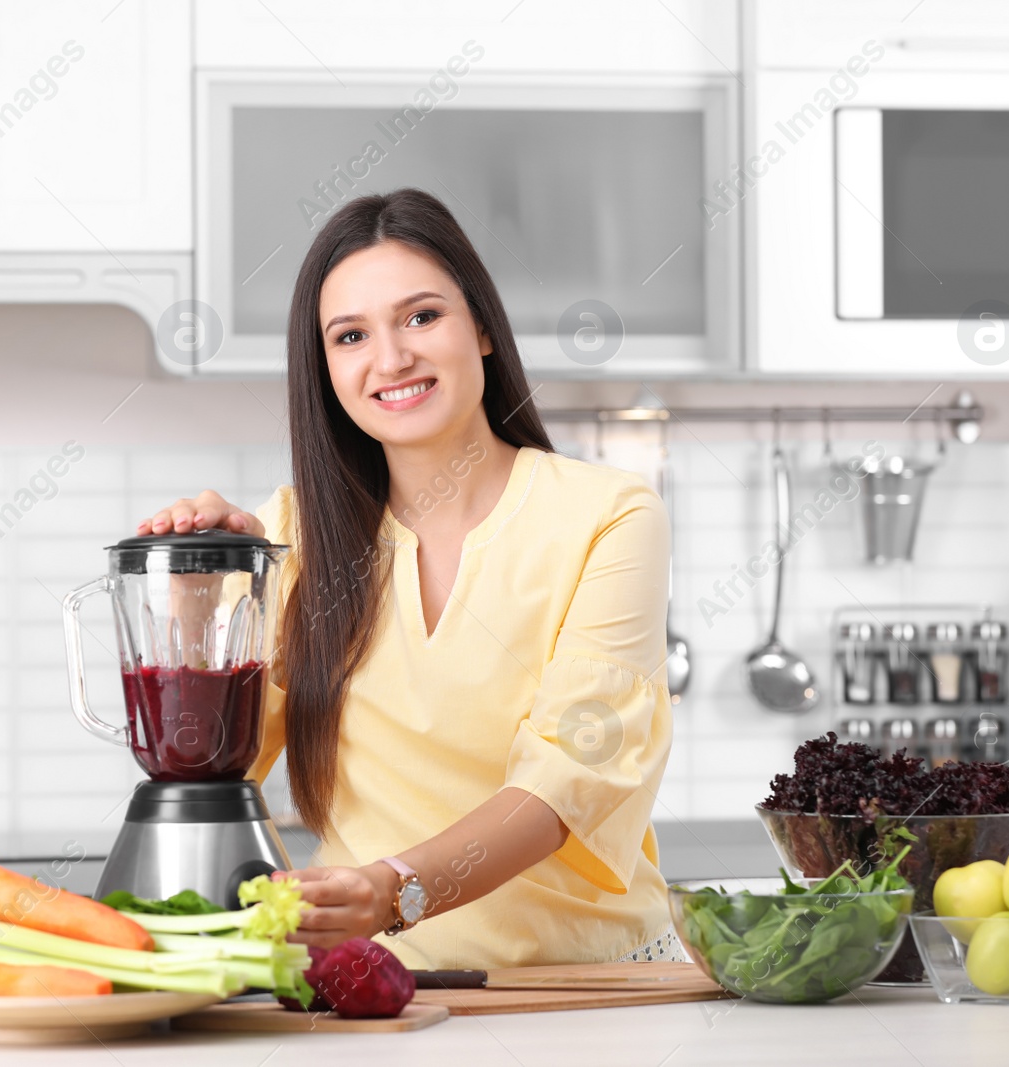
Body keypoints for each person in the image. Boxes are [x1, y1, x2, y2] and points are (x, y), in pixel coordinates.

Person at [137, 188, 676, 969]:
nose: (391, 359)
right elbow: (217, 767)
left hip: (589, 988)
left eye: (422, 317)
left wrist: (395, 890)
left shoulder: (609, 514)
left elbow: (570, 776)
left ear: (482, 328)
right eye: (351, 335)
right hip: (380, 993)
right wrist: (201, 605)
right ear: (325, 368)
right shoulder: (288, 537)